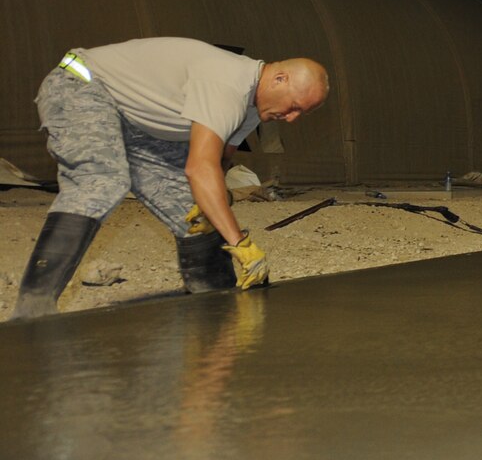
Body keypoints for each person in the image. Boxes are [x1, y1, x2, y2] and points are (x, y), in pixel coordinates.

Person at [15, 38, 331, 318]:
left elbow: (219, 161)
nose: (291, 119)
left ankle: (218, 304)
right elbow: (199, 168)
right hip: (81, 83)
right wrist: (241, 244)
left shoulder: (252, 107)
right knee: (101, 179)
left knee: (191, 208)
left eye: (300, 114)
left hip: (134, 120)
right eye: (294, 108)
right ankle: (33, 309)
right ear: (279, 78)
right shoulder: (227, 84)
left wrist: (209, 207)